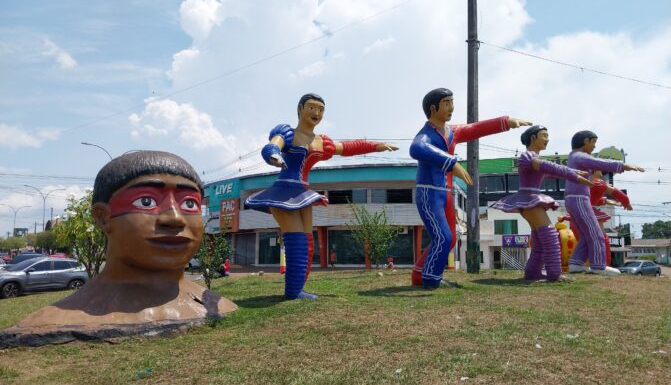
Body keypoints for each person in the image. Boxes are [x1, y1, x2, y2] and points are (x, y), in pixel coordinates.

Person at [3, 151, 237, 345]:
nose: (174, 218)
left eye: (189, 203)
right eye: (146, 201)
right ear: (103, 217)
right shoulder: (52, 322)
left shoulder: (218, 306)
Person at [245, 93, 398, 299]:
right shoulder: (287, 133)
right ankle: (293, 292)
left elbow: (348, 148)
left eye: (320, 109)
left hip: (302, 193)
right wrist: (274, 155)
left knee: (308, 243)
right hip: (283, 192)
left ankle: (297, 289)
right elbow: (272, 146)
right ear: (300, 109)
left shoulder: (320, 142)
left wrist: (376, 146)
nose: (316, 113)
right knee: (297, 240)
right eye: (312, 107)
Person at [410, 88, 532, 289]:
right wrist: (451, 163)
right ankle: (431, 279)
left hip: (446, 193)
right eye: (447, 103)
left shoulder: (451, 132)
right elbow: (417, 148)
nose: (452, 107)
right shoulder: (426, 134)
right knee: (443, 237)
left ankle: (419, 274)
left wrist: (505, 122)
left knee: (450, 239)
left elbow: (475, 129)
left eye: (452, 102)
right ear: (433, 108)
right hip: (429, 192)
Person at [491, 126, 592, 281]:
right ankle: (554, 273)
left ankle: (533, 272)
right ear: (533, 138)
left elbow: (553, 170)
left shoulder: (533, 158)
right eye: (544, 135)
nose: (547, 139)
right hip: (529, 199)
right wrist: (572, 174)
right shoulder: (527, 157)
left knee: (539, 238)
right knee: (550, 235)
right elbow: (547, 167)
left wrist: (572, 173)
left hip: (530, 200)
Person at [565, 131, 644, 275]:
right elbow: (599, 162)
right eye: (593, 142)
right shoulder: (580, 156)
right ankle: (598, 266)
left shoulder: (574, 157)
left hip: (572, 199)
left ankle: (576, 263)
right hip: (579, 199)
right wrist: (623, 166)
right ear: (585, 141)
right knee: (596, 234)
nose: (594, 146)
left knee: (586, 234)